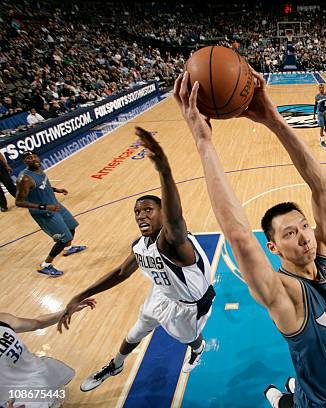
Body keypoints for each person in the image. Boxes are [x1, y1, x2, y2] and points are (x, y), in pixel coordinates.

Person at [175, 70, 326, 407]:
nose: (303, 237)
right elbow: (238, 235)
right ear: (273, 247)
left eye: (303, 227)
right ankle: (282, 399)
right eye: (289, 233)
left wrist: (273, 119)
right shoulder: (284, 294)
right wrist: (204, 143)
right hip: (323, 403)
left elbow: (322, 186)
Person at [57, 127, 216, 391]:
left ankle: (198, 349)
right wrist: (78, 295)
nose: (141, 215)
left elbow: (175, 220)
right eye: (137, 211)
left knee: (189, 337)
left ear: (162, 212)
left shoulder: (175, 242)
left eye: (148, 210)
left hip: (189, 306)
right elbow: (121, 272)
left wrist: (164, 170)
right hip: (161, 294)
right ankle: (116, 364)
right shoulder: (140, 245)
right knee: (134, 332)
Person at [0, 299, 95, 408]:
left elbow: (37, 322)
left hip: (41, 377)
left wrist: (67, 311)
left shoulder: (3, 320)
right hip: (17, 400)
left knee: (58, 404)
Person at [15, 152, 87, 277]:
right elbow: (19, 202)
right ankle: (46, 265)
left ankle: (68, 249)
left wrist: (55, 189)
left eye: (34, 156)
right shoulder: (25, 179)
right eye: (28, 158)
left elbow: (42, 186)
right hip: (44, 212)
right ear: (24, 162)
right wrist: (45, 207)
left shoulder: (38, 169)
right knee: (64, 238)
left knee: (72, 226)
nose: (33, 159)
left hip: (55, 205)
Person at [313, 84, 326, 148]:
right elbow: (315, 105)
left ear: (324, 88)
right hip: (320, 113)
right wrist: (313, 114)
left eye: (322, 87)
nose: (321, 89)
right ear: (318, 89)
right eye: (320, 88)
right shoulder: (317, 96)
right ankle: (322, 140)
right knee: (322, 126)